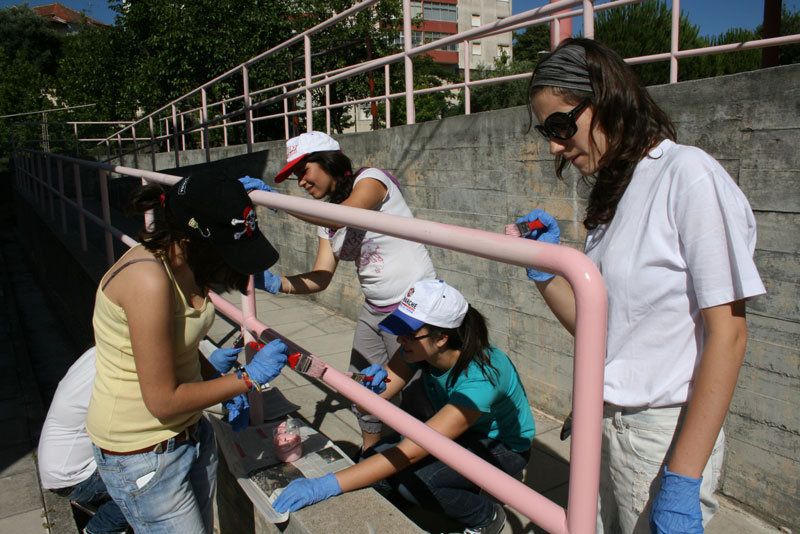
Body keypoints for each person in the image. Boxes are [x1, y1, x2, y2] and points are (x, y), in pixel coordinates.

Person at [520, 38, 766, 534]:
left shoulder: (687, 175)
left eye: (561, 125)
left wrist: (681, 480)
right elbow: (604, 331)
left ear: (608, 100)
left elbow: (729, 334)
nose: (553, 144)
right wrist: (547, 273)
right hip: (608, 420)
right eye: (545, 130)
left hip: (661, 435)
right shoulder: (619, 194)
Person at [86, 174, 292, 534]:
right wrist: (245, 380)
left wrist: (215, 378)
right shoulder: (148, 281)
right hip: (142, 452)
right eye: (227, 249)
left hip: (190, 434)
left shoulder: (186, 263)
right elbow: (163, 402)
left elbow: (177, 346)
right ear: (187, 240)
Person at [271, 279, 536, 534]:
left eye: (409, 334)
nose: (399, 341)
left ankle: (485, 516)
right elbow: (376, 399)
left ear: (442, 338)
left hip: (503, 447)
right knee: (374, 462)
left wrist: (326, 485)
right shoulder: (421, 349)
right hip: (461, 433)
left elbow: (410, 452)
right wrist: (366, 391)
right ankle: (425, 492)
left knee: (418, 483)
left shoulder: (480, 379)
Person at [239, 131, 437, 450]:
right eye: (294, 177)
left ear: (328, 161)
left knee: (418, 399)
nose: (300, 182)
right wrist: (274, 283)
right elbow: (321, 277)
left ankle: (431, 471)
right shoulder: (326, 218)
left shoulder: (371, 180)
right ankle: (371, 457)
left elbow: (347, 214)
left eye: (303, 171)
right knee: (361, 393)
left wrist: (276, 201)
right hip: (375, 310)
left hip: (411, 308)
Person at [38, 347, 130, 534]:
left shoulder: (98, 354)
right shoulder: (115, 372)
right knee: (151, 478)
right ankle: (100, 529)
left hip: (57, 470)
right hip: (74, 477)